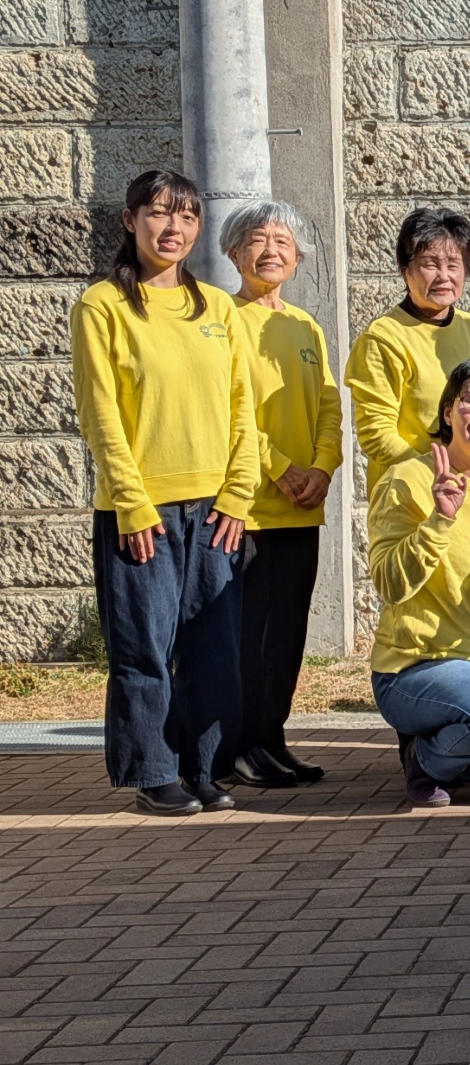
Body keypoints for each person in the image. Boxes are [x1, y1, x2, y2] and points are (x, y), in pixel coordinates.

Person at [72, 171, 256, 816]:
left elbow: (243, 408)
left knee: (213, 651)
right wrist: (131, 500)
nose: (172, 228)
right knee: (144, 649)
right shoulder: (102, 305)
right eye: (157, 213)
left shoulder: (219, 309)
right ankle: (152, 772)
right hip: (141, 512)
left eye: (186, 216)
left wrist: (238, 494)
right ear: (130, 221)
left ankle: (203, 768)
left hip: (216, 512)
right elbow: (100, 413)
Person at [369, 357, 470, 806]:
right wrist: (439, 520)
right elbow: (389, 583)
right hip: (415, 668)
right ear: (447, 412)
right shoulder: (408, 479)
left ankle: (460, 751)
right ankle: (425, 758)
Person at [224, 201, 343, 790]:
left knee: (288, 632)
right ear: (233, 252)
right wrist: (279, 468)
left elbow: (328, 406)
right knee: (249, 635)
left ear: (298, 258)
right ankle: (240, 744)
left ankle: (272, 738)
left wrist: (322, 468)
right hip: (246, 508)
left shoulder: (305, 326)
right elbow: (229, 409)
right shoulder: (221, 318)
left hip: (302, 507)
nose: (270, 250)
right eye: (256, 238)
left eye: (282, 242)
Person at [346, 208, 470, 498]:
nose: (444, 276)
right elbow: (376, 433)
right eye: (430, 264)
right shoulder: (383, 338)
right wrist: (434, 474)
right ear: (406, 270)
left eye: (453, 264)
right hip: (408, 493)